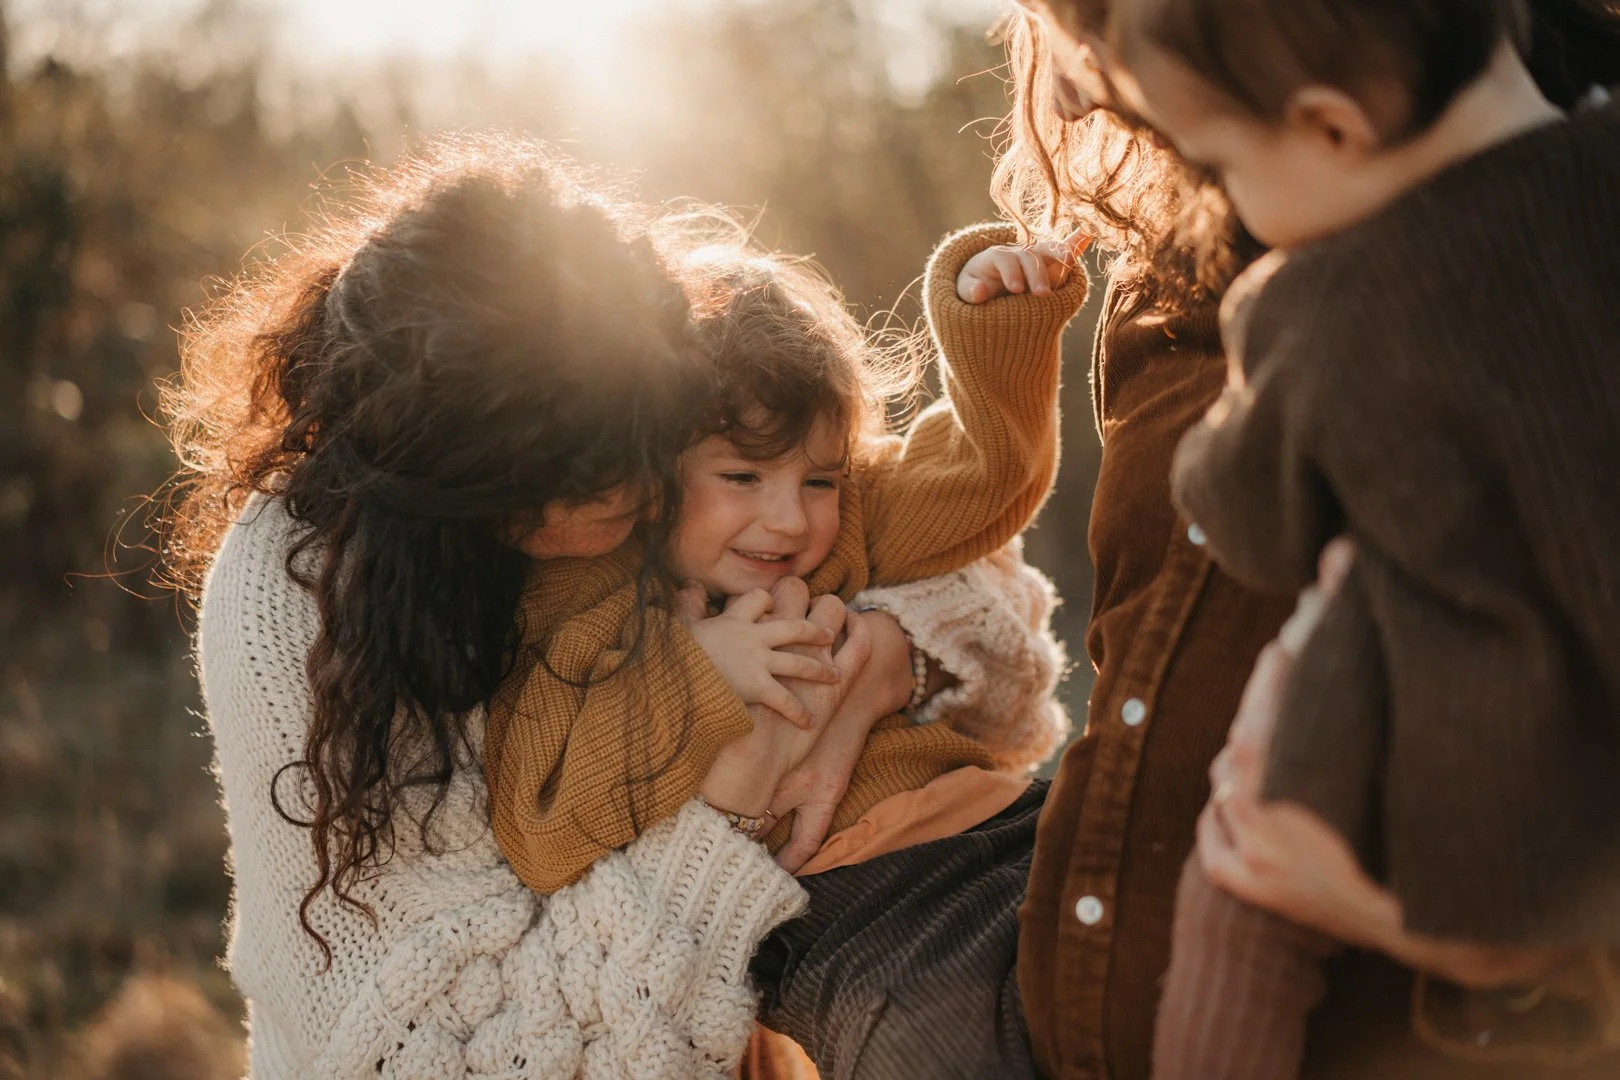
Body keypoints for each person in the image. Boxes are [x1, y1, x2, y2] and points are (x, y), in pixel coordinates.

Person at [165, 134, 1069, 1078]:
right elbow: (451, 1030)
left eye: (644, 453)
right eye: (581, 478)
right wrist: (736, 784)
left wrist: (891, 650)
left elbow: (971, 563)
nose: (632, 501)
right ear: (465, 480)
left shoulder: (667, 415)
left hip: (966, 844)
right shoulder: (304, 589)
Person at [999, 2, 1620, 1077]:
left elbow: (1245, 513)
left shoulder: (1325, 298)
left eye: (1227, 160)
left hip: (1459, 864)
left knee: (1246, 912)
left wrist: (1447, 927)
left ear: (1330, 122)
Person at [482, 222, 1087, 896]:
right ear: (651, 471)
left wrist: (996, 321)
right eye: (743, 478)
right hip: (849, 891)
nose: (791, 521)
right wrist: (700, 668)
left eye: (819, 481)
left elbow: (981, 480)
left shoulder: (853, 521)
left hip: (986, 815)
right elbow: (541, 827)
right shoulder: (594, 597)